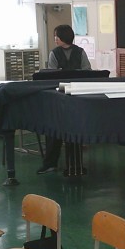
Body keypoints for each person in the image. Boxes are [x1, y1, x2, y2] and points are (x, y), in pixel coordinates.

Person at [37, 24, 91, 174]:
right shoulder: (54, 53)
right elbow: (51, 75)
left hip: (76, 96)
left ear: (64, 37)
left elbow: (87, 71)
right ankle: (50, 163)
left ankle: (75, 164)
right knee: (53, 129)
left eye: (57, 36)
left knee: (74, 130)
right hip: (58, 96)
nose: (55, 39)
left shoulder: (80, 52)